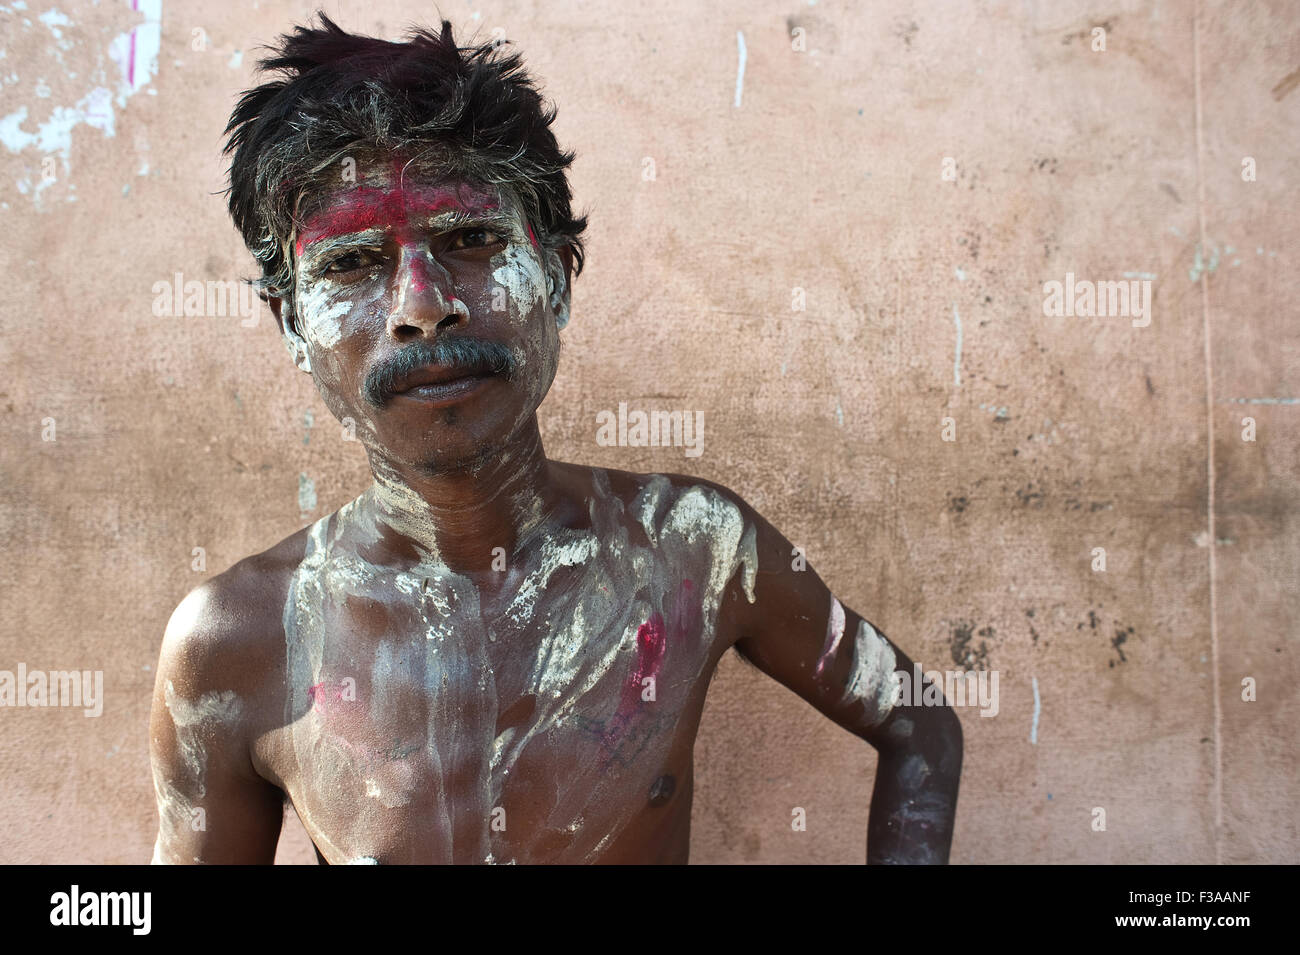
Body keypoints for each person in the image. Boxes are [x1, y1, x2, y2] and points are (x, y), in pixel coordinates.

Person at [149, 14, 961, 865]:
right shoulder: (237, 640)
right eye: (352, 263)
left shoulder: (695, 547)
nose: (422, 306)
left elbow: (919, 723)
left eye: (471, 240)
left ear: (558, 281)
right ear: (291, 323)